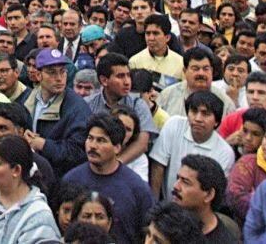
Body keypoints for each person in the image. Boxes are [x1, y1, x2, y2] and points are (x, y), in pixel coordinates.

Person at [63, 113, 156, 244]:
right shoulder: (71, 180)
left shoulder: (137, 189)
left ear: (117, 147)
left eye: (101, 140)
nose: (93, 146)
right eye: (90, 138)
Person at [149, 91, 235, 201]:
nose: (198, 118)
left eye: (205, 114)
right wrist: (154, 205)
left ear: (217, 122)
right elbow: (158, 166)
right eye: (194, 111)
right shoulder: (174, 124)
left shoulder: (225, 152)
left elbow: (214, 192)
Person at [22, 47, 92, 176]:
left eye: (62, 72)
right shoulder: (28, 99)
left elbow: (79, 153)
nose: (59, 78)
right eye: (52, 72)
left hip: (60, 178)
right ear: (38, 75)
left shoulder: (77, 108)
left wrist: (43, 145)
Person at [170, 155, 240, 243]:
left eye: (185, 182)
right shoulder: (162, 222)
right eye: (178, 179)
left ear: (209, 195)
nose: (176, 186)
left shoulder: (224, 241)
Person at [156, 48, 236, 120]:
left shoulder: (225, 102)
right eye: (195, 69)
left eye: (205, 69)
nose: (201, 73)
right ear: (185, 71)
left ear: (211, 70)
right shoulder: (167, 95)